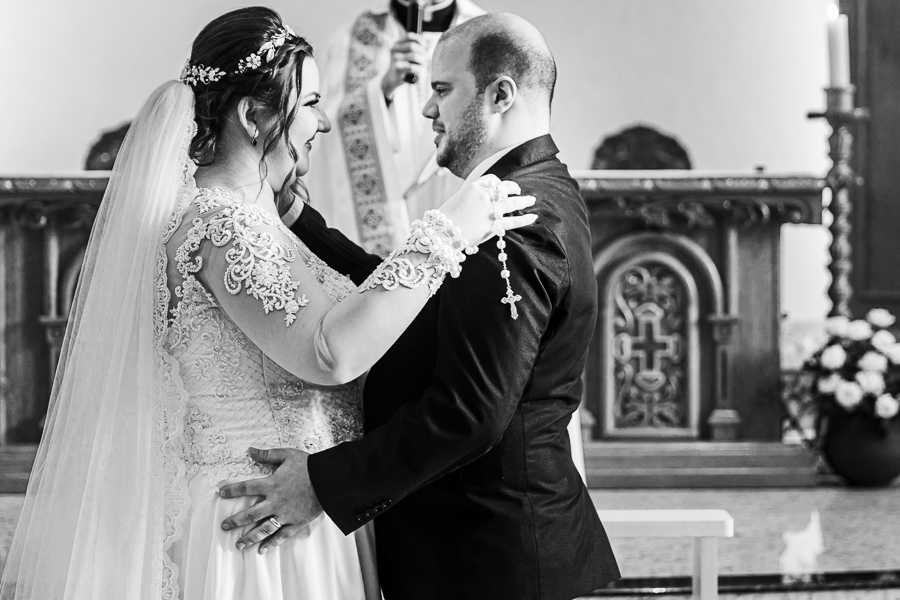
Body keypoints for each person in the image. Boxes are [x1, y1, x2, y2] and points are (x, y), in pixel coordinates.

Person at [0, 7, 534, 600]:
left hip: (296, 512)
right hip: (255, 538)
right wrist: (443, 236)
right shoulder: (221, 224)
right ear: (254, 116)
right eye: (308, 105)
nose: (325, 124)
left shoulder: (256, 218)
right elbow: (329, 352)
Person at [220, 12, 620, 600]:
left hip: (495, 561)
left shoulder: (514, 218)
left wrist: (324, 486)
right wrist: (303, 223)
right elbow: (425, 303)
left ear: (500, 95)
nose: (427, 110)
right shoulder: (523, 189)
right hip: (481, 549)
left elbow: (470, 411)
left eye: (441, 90)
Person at [302, 0, 484, 256]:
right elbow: (324, 130)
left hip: (453, 190)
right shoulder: (354, 37)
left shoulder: (484, 30)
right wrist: (382, 89)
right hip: (387, 202)